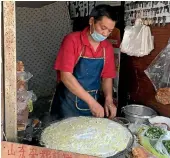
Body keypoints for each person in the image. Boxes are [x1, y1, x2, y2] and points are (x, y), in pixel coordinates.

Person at [50, 4, 117, 120]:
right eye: (103, 28)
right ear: (92, 21)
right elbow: (66, 76)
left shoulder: (107, 47)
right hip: (67, 104)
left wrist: (109, 100)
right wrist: (92, 103)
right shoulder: (72, 40)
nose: (105, 34)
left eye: (110, 31)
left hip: (91, 105)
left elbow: (107, 77)